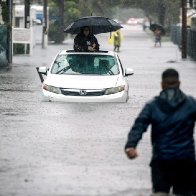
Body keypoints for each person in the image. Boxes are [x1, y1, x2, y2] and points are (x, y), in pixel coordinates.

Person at [124, 68, 196, 196]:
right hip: (186, 160)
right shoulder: (191, 104)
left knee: (160, 193)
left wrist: (131, 146)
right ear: (179, 83)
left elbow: (139, 125)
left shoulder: (152, 105)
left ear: (162, 84)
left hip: (161, 160)